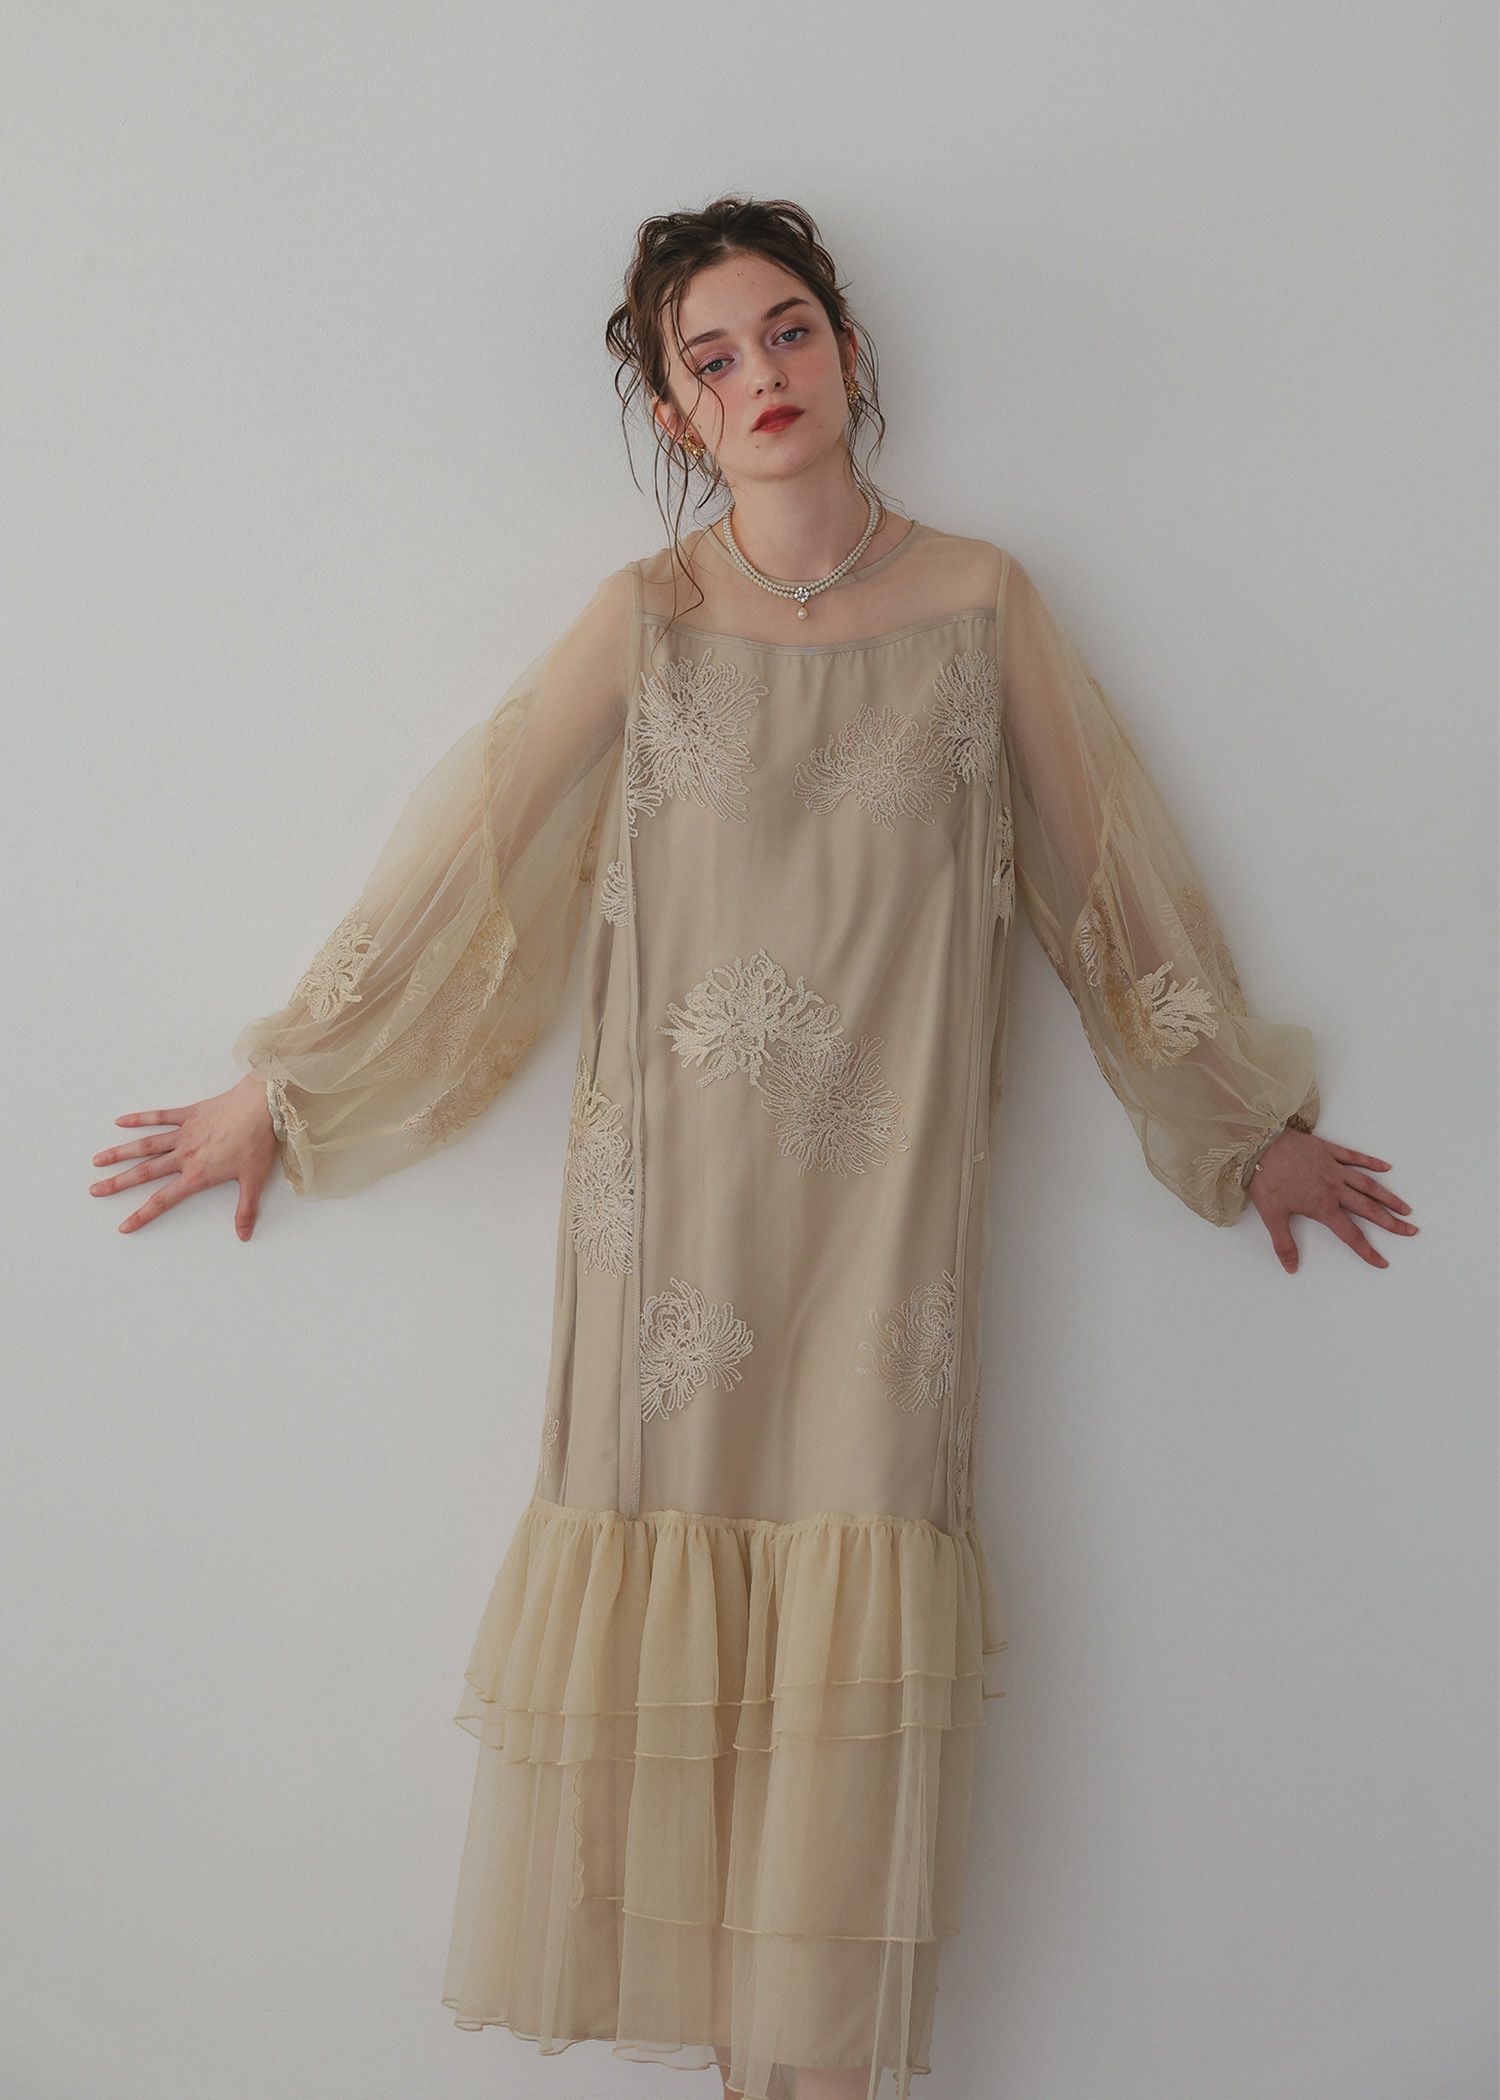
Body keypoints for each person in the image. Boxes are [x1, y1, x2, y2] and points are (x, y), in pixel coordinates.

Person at [90, 197, 1417, 2100]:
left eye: (787, 332)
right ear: (673, 411)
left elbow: (1107, 881)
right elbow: (469, 855)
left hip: (888, 1238)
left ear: (849, 351)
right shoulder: (646, 619)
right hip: (671, 1236)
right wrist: (287, 1086)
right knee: (682, 1701)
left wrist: (1238, 1126)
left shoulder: (982, 602)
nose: (761, 377)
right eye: (709, 359)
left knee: (847, 1690)